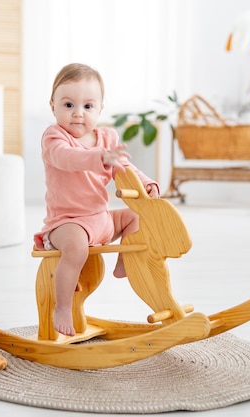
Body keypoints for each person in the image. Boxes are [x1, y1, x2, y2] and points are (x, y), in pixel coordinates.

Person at [34, 63, 160, 337]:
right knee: (77, 250)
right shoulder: (54, 137)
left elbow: (125, 168)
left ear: (100, 109)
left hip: (101, 219)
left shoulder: (107, 138)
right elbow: (67, 159)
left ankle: (123, 260)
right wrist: (99, 157)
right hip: (67, 223)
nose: (78, 113)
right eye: (68, 105)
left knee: (136, 216)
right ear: (53, 105)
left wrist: (146, 182)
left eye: (88, 106)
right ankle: (63, 307)